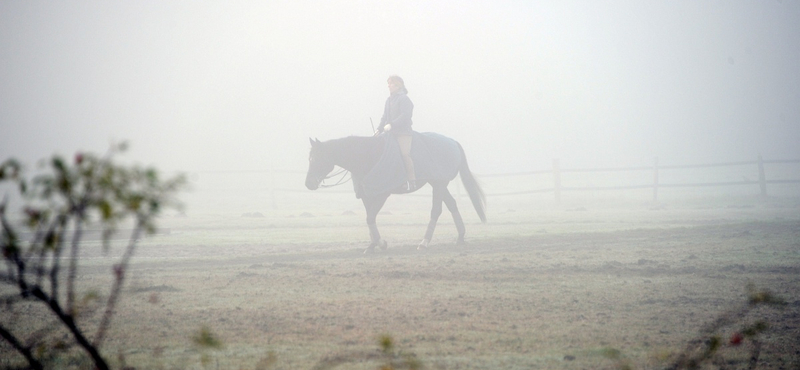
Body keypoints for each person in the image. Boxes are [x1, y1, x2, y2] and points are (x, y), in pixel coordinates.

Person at [376, 75, 416, 191]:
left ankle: (412, 181)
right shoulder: (389, 100)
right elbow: (384, 117)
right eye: (388, 83)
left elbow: (405, 115)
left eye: (391, 83)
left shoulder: (404, 99)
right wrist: (379, 129)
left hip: (403, 133)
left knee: (404, 154)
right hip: (390, 133)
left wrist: (392, 124)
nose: (388, 86)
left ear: (398, 85)